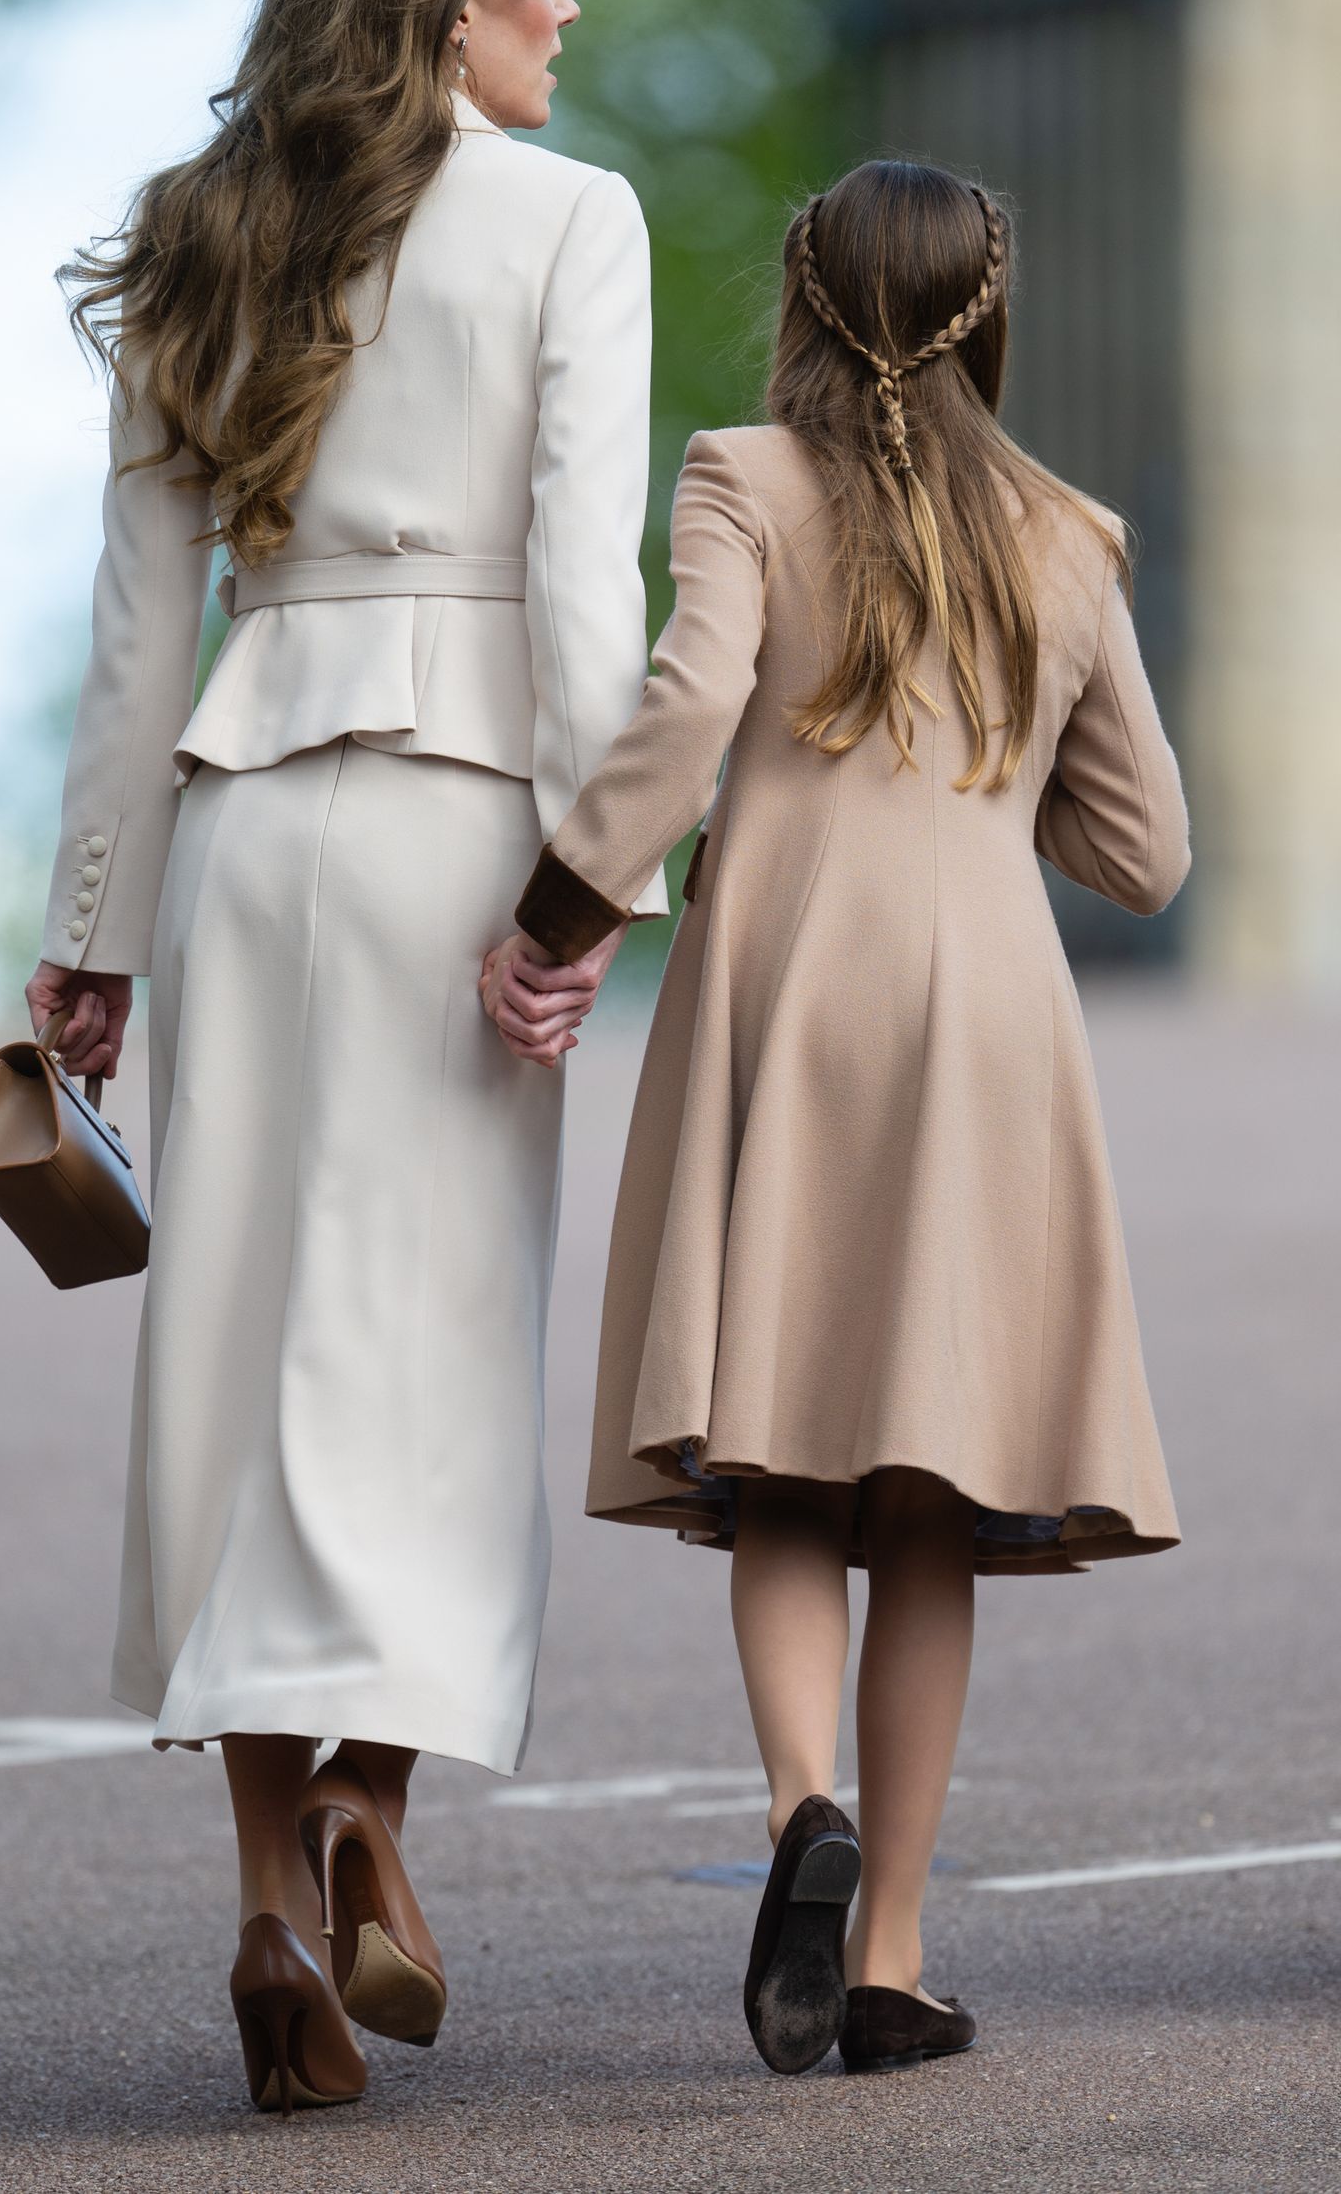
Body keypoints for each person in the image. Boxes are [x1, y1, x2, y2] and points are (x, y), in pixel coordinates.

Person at [23, 0, 665, 2116]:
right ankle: (368, 1808)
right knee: (426, 1351)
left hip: (243, 832)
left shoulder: (200, 222)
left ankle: (267, 1911)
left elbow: (134, 620)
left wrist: (91, 922)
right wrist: (595, 881)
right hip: (457, 824)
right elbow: (586, 601)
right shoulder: (562, 220)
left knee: (245, 1340)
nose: (562, 9)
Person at [484, 159, 1189, 2078]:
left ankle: (803, 1807)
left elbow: (695, 690)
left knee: (783, 1461)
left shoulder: (742, 476)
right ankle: (885, 1960)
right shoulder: (1067, 535)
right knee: (931, 1498)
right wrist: (996, 761)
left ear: (802, 297)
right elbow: (1146, 852)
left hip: (788, 994)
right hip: (990, 1028)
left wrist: (562, 907)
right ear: (993, 314)